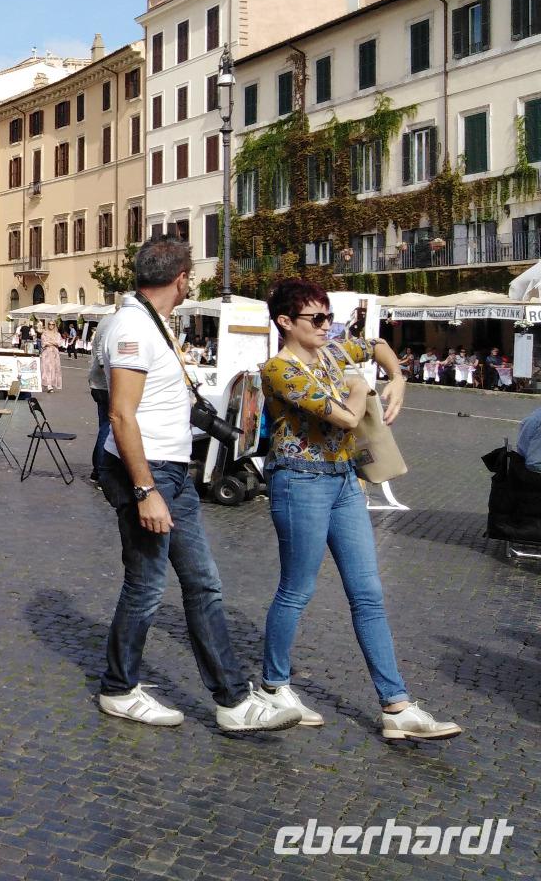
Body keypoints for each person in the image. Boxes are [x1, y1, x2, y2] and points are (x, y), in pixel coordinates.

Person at [97, 236, 301, 732]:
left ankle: (232, 700)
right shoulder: (130, 327)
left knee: (203, 583)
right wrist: (144, 490)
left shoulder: (152, 323)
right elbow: (120, 414)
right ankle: (119, 689)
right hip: (149, 473)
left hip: (171, 469)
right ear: (181, 277)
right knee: (146, 587)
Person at [258, 280, 460, 739]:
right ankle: (274, 686)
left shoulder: (332, 350)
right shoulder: (278, 370)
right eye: (317, 319)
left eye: (328, 317)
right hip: (299, 482)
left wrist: (398, 379)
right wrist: (356, 384)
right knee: (297, 589)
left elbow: (380, 345)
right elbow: (347, 416)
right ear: (285, 323)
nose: (327, 326)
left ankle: (397, 706)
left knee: (368, 594)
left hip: (345, 481)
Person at [87, 310, 116, 483]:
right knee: (108, 427)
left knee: (104, 427)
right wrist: (112, 378)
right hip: (105, 385)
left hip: (98, 383)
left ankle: (97, 470)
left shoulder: (106, 319)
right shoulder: (114, 323)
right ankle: (100, 472)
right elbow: (101, 353)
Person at [40, 324, 63, 391]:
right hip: (46, 352)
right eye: (49, 324)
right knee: (46, 368)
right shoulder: (45, 333)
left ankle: (51, 384)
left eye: (53, 324)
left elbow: (59, 343)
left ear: (55, 325)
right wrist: (53, 342)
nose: (51, 325)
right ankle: (48, 384)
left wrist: (50, 342)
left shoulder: (57, 334)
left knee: (54, 369)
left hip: (55, 353)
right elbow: (44, 343)